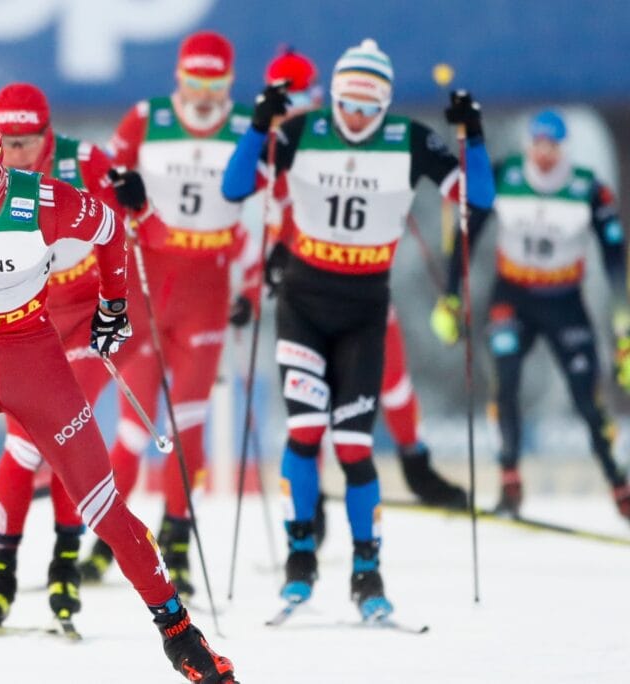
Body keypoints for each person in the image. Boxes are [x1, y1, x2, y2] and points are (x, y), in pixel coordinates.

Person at [0, 98, 237, 684]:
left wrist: (113, 305)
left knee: (103, 506)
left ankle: (181, 635)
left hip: (29, 355)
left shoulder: (41, 199)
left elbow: (110, 229)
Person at [222, 38, 495, 619]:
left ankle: (368, 572)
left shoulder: (408, 139)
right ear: (334, 98)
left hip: (365, 310)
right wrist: (258, 127)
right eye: (347, 103)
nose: (355, 117)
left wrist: (473, 138)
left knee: (353, 445)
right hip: (303, 304)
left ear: (385, 105)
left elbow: (479, 200)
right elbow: (235, 186)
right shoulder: (304, 132)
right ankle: (300, 561)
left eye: (369, 107)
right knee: (304, 432)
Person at [78, 29, 256, 597]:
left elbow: (267, 207)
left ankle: (177, 537)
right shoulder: (146, 118)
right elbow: (104, 184)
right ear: (179, 79)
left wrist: (252, 284)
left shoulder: (246, 126)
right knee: (135, 426)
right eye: (195, 81)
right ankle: (111, 536)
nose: (204, 94)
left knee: (189, 421)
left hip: (207, 288)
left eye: (215, 83)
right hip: (148, 283)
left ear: (229, 83)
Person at [0, 82, 135, 628]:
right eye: (6, 142)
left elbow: (120, 230)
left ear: (48, 133)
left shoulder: (84, 161)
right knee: (21, 446)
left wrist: (138, 202)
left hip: (83, 317)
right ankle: (2, 573)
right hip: (25, 321)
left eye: (26, 141)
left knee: (62, 429)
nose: (15, 153)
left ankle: (64, 562)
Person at [431, 109, 630, 521]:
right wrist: (451, 296)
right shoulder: (505, 176)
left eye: (552, 146)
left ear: (564, 150)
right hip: (514, 296)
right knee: (504, 383)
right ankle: (509, 482)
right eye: (537, 145)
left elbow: (614, 259)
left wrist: (622, 326)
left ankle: (618, 483)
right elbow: (468, 235)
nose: (544, 154)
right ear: (527, 146)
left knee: (586, 398)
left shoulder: (587, 188)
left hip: (564, 299)